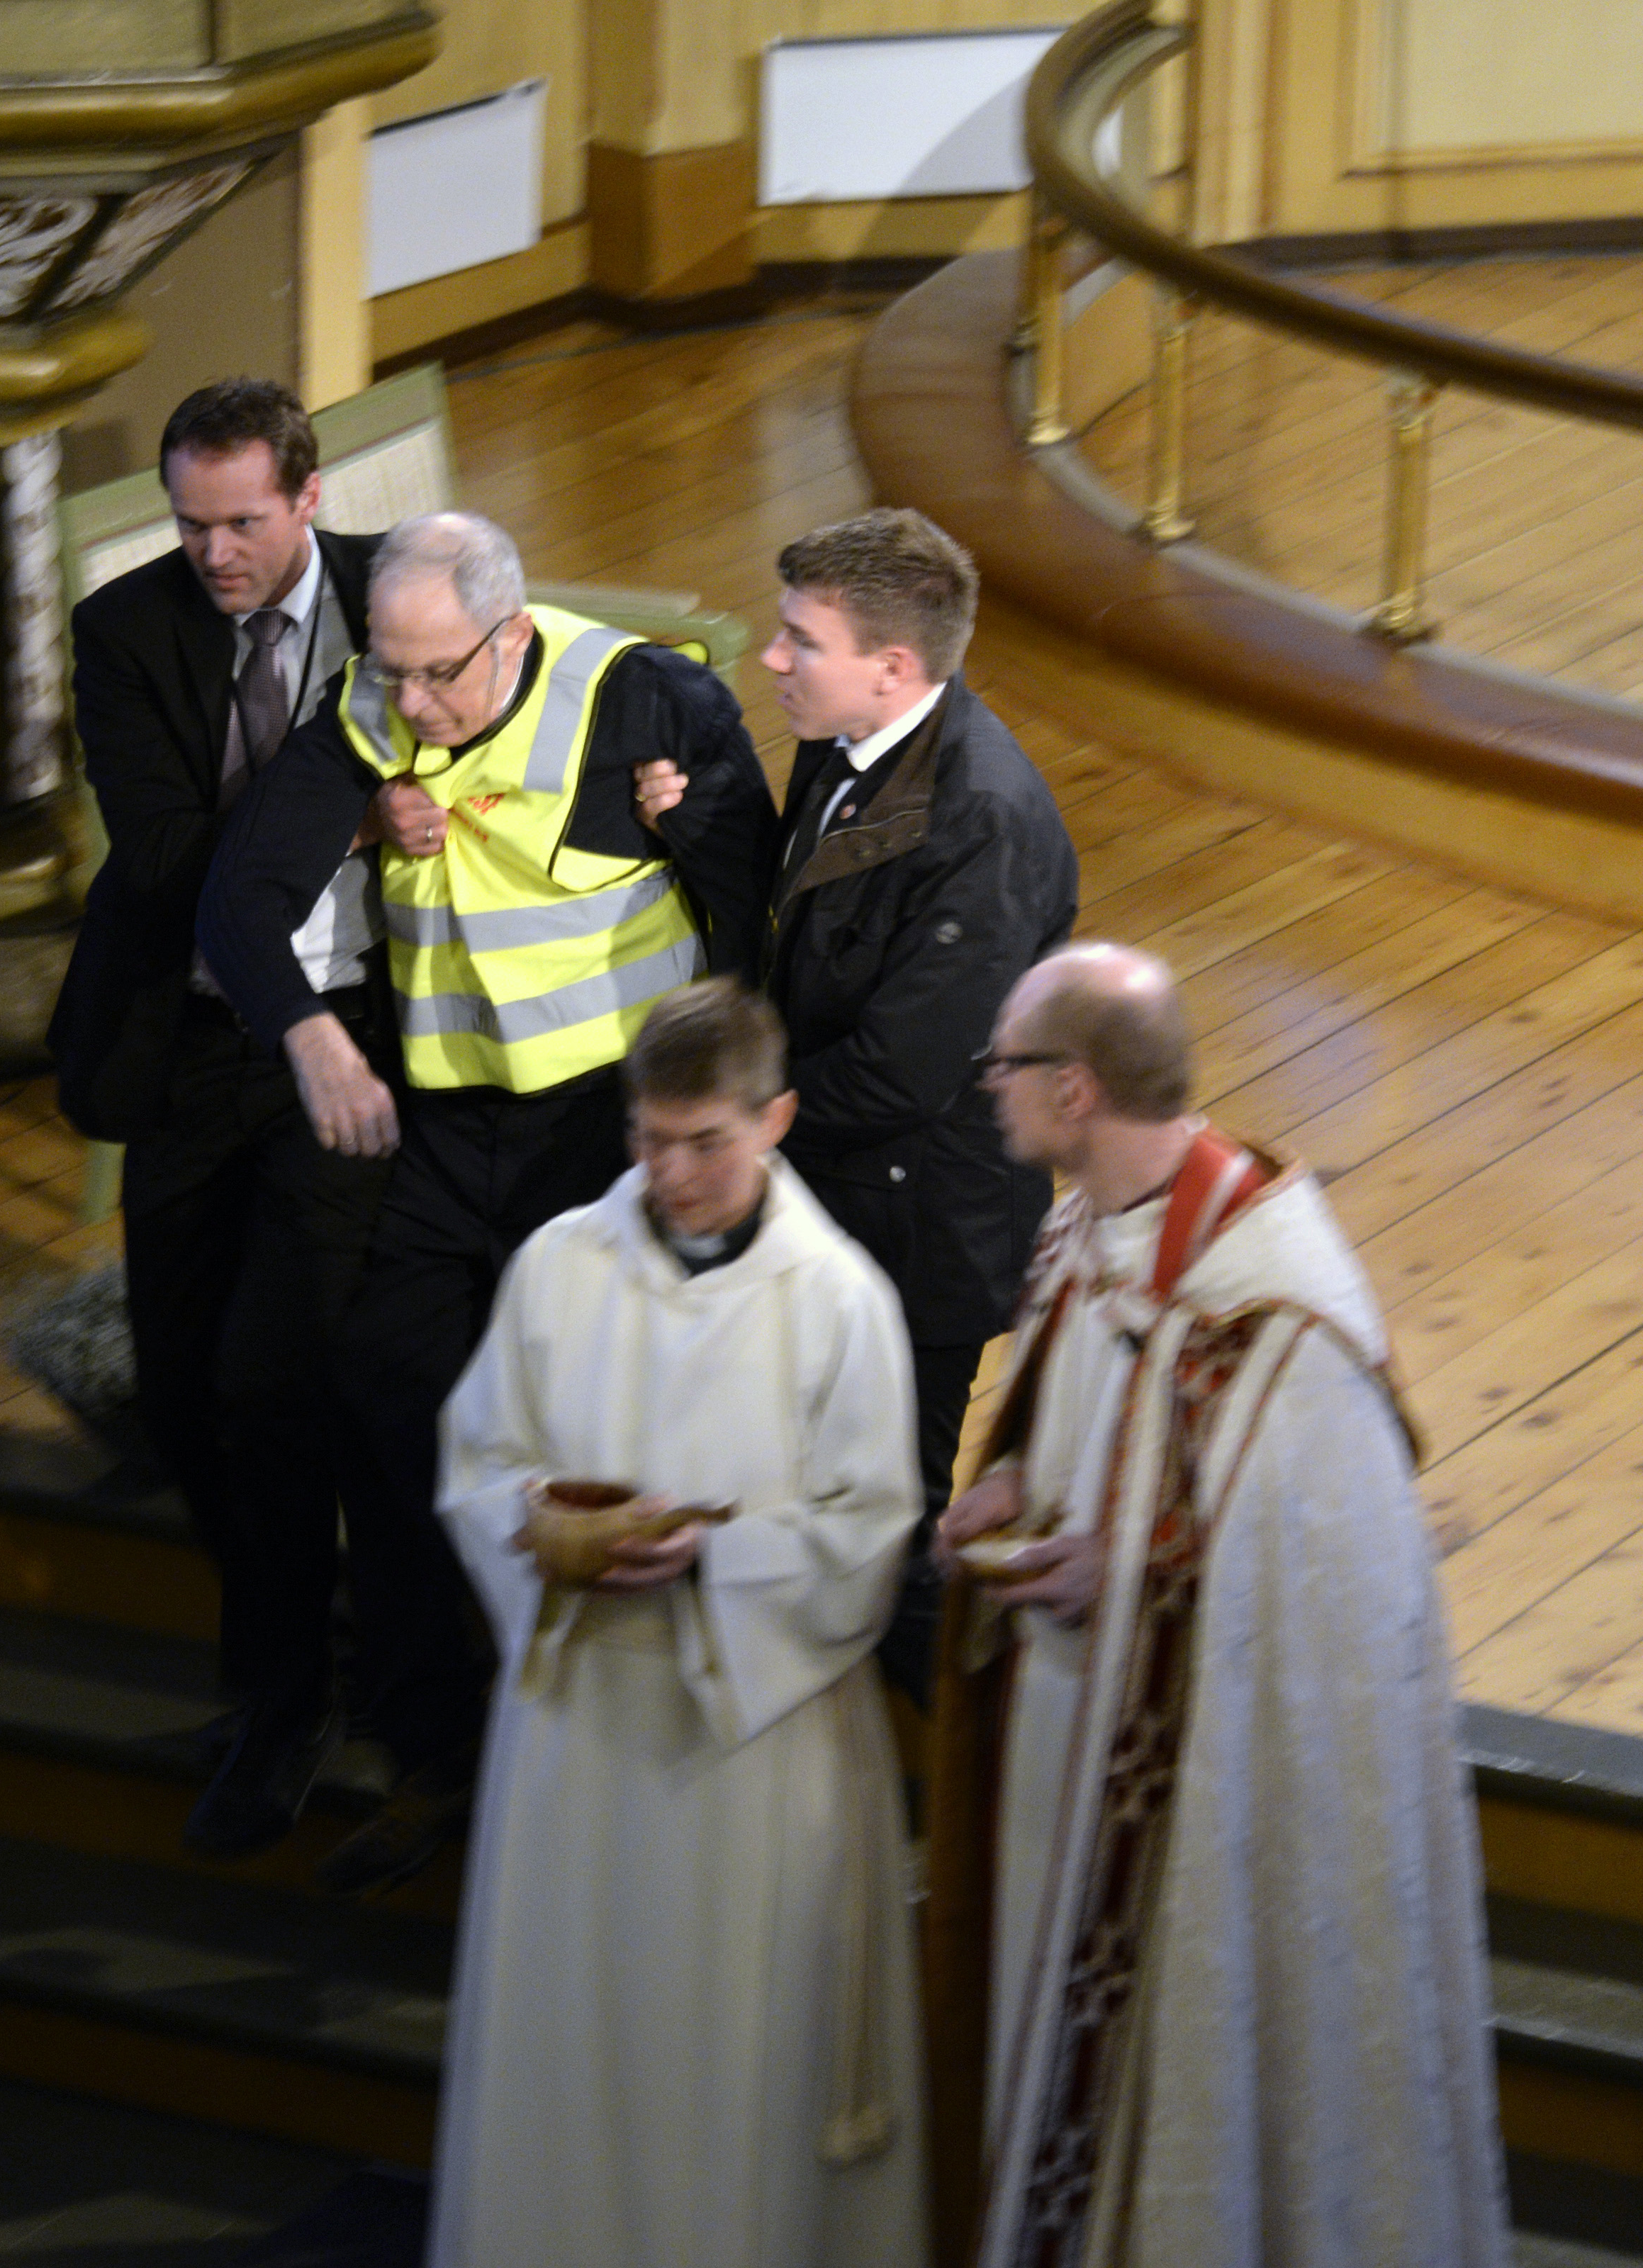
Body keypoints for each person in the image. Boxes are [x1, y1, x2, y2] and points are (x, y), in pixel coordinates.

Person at [198, 509, 778, 1892]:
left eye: (438, 674)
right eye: (389, 672)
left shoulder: (646, 698)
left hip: (611, 1145)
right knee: (390, 1404)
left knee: (602, 1436)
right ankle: (429, 1759)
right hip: (447, 1134)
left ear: (510, 636)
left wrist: (718, 1146)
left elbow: (757, 921)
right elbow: (237, 902)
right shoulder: (372, 711)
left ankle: (610, 1777)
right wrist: (309, 1028)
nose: (410, 706)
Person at [931, 943, 1508, 2268]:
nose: (989, 1089)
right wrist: (1015, 1473)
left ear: (1074, 1090)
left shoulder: (1277, 1316)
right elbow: (1094, 1415)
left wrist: (1119, 1571)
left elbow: (1324, 1591)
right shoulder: (1091, 1228)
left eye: (1006, 1066)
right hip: (1075, 1756)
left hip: (1211, 1818)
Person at [424, 979, 926, 2268]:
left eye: (708, 1142)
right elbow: (478, 1462)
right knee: (576, 2035)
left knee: (729, 2049)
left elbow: (870, 1529)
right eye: (650, 1139)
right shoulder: (559, 1267)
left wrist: (717, 1555)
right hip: (579, 1726)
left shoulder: (838, 1300)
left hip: (750, 1743)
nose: (674, 1172)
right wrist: (539, 1520)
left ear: (777, 1121)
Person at [42, 378, 405, 1863]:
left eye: (241, 521)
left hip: (357, 1048)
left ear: (307, 496)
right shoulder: (126, 632)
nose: (212, 554)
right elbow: (171, 851)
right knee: (180, 1386)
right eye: (189, 523)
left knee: (276, 1377)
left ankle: (286, 1697)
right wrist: (358, 806)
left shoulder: (407, 589)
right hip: (194, 1041)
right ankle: (296, 1648)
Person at [756, 507, 1075, 1683]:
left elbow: (900, 1071)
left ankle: (919, 1806)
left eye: (801, 640)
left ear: (894, 669)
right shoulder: (844, 744)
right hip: (840, 1200)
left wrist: (744, 1128)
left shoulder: (981, 819)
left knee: (889, 1540)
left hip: (919, 1235)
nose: (773, 660)